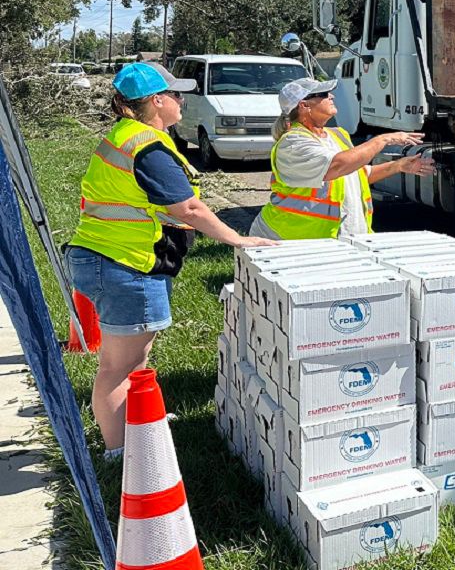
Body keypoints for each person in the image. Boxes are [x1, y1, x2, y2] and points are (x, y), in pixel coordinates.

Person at [65, 62, 277, 458]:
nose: (183, 100)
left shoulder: (131, 135)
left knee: (130, 358)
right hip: (126, 264)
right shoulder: (147, 146)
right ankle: (120, 453)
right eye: (176, 94)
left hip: (109, 258)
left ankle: (138, 426)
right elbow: (189, 209)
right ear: (157, 101)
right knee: (119, 366)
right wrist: (237, 239)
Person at [250, 78, 432, 240]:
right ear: (304, 106)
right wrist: (383, 139)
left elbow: (357, 175)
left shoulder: (338, 135)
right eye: (323, 94)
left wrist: (397, 166)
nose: (331, 96)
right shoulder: (293, 143)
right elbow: (335, 167)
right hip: (290, 240)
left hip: (332, 240)